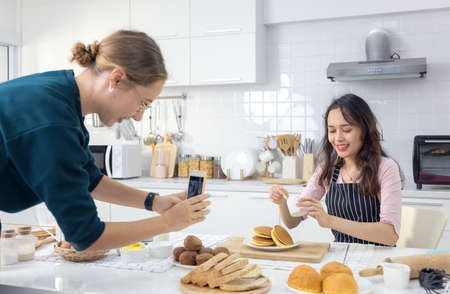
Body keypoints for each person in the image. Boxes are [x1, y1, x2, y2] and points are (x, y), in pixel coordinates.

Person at [0, 30, 210, 252]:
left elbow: (91, 180)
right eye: (143, 103)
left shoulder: (61, 97)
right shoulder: (53, 122)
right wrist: (167, 223)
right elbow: (86, 236)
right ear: (116, 79)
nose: (139, 116)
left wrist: (154, 202)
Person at [270, 94, 401, 246]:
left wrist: (330, 221)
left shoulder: (385, 168)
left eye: (346, 130)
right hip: (340, 257)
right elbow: (293, 221)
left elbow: (390, 235)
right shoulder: (327, 170)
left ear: (364, 131)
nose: (338, 138)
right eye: (332, 131)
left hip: (378, 259)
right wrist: (282, 204)